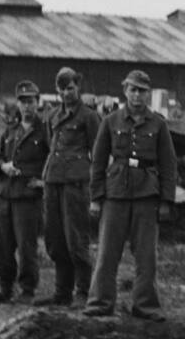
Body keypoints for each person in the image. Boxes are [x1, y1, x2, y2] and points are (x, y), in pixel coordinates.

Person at [84, 70, 177, 321]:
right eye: (133, 90)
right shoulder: (111, 121)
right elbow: (98, 161)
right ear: (125, 91)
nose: (137, 95)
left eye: (142, 91)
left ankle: (146, 306)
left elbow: (169, 165)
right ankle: (100, 302)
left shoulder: (158, 124)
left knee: (146, 256)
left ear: (149, 94)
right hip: (115, 194)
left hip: (147, 195)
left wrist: (167, 200)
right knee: (107, 253)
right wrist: (96, 197)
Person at [40, 68, 102, 307]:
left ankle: (83, 292)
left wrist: (97, 190)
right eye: (62, 89)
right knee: (55, 239)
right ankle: (61, 292)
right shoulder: (53, 116)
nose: (66, 93)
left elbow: (98, 154)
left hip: (76, 184)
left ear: (78, 88)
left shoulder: (89, 117)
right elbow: (51, 147)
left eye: (70, 88)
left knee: (76, 239)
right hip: (53, 181)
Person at [0, 82, 50, 306]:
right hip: (5, 194)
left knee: (26, 246)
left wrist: (43, 182)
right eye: (22, 102)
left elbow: (54, 160)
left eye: (31, 101)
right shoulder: (10, 130)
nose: (26, 106)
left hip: (27, 197)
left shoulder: (45, 131)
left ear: (38, 103)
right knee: (0, 244)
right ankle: (5, 287)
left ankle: (27, 289)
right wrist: (2, 167)